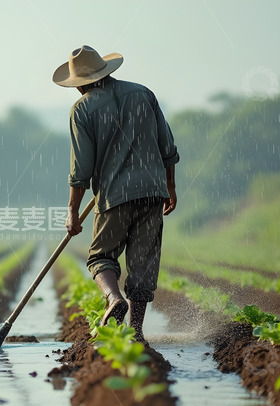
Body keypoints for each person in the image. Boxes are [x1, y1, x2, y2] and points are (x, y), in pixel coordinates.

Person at [53, 45, 179, 344]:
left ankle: (113, 298)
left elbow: (81, 168)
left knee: (100, 257)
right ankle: (136, 332)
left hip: (113, 196)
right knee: (143, 262)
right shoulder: (143, 93)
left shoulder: (82, 109)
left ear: (80, 83)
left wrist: (73, 209)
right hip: (152, 193)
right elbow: (167, 147)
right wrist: (170, 187)